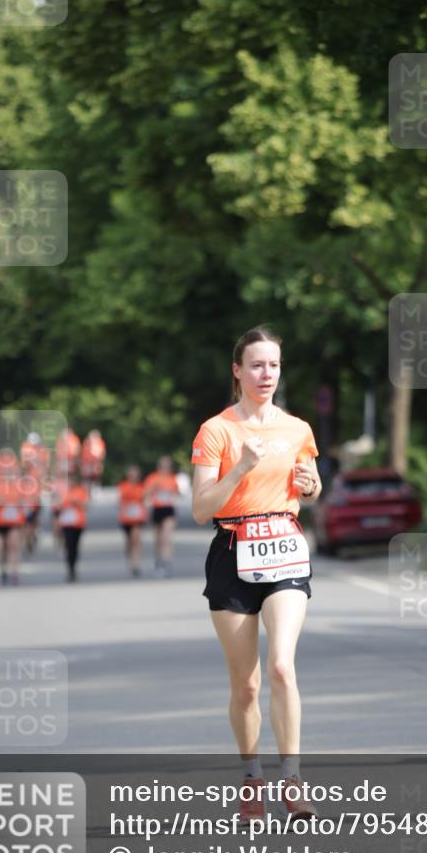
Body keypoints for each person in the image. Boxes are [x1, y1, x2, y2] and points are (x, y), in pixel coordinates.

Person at [191, 326, 321, 824]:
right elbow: (202, 508)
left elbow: (310, 485)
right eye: (257, 366)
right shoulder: (216, 431)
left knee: (282, 667)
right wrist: (240, 467)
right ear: (238, 371)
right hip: (232, 553)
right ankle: (252, 778)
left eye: (274, 365)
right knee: (245, 685)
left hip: (285, 550)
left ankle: (292, 778)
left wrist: (311, 487)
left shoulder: (297, 429)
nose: (266, 374)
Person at [0, 449, 25, 585]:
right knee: (4, 547)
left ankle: (15, 573)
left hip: (15, 520)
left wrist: (17, 504)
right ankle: (3, 569)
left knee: (14, 545)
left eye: (11, 471)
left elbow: (24, 501)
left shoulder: (18, 486)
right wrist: (1, 501)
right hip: (1, 521)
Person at [144, 456, 181, 577]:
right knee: (158, 539)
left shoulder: (172, 478)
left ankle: (167, 562)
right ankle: (158, 561)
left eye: (167, 465)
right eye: (162, 465)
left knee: (167, 538)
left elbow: (177, 493)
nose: (164, 468)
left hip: (168, 509)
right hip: (157, 508)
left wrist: (172, 493)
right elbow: (147, 493)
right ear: (158, 466)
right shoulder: (152, 478)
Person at [56, 472, 89, 582]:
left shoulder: (81, 491)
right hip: (66, 523)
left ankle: (74, 566)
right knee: (69, 545)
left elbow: (86, 506)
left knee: (75, 546)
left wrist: (76, 502)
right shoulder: (62, 492)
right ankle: (70, 568)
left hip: (78, 523)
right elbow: (57, 507)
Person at [117, 465, 147, 577]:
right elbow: (119, 500)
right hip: (126, 517)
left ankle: (136, 564)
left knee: (136, 539)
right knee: (129, 541)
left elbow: (146, 500)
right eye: (131, 474)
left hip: (138, 517)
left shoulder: (141, 487)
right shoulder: (123, 486)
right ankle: (129, 559)